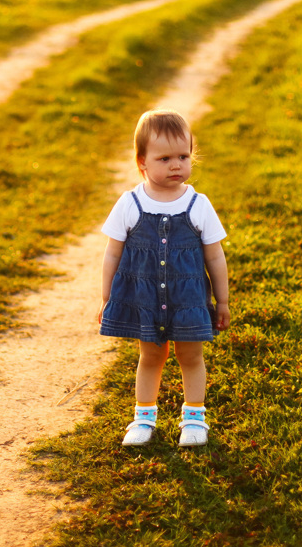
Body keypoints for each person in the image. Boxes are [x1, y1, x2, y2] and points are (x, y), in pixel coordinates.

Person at [97, 109, 230, 447]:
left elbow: (215, 255)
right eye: (165, 157)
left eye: (183, 156)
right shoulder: (130, 203)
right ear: (142, 161)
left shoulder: (199, 205)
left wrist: (223, 300)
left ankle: (194, 419)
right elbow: (112, 253)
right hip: (144, 300)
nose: (176, 165)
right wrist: (106, 297)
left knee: (191, 356)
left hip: (188, 301)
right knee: (151, 357)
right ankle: (143, 418)